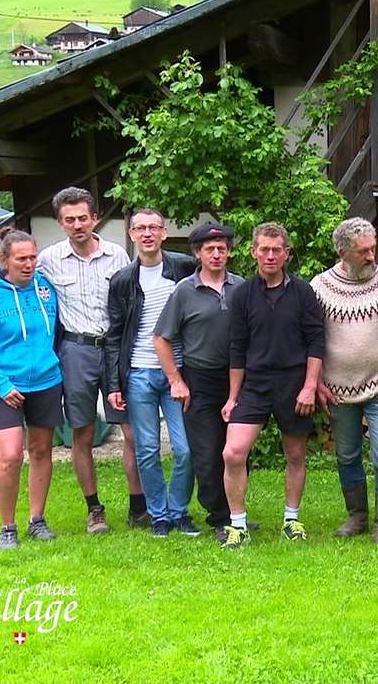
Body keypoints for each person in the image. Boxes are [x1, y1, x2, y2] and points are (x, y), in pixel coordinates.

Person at [0, 187, 146, 534]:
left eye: (83, 217)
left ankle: (138, 507)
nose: (77, 224)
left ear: (95, 217)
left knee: (132, 430)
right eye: (69, 220)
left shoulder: (117, 256)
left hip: (114, 349)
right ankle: (94, 509)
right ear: (60, 223)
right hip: (75, 351)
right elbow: (9, 276)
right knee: (81, 432)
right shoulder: (47, 260)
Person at [219, 222, 325, 549]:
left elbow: (316, 342)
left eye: (276, 250)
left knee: (295, 454)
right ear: (253, 252)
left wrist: (310, 386)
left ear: (286, 254)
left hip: (294, 384)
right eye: (263, 249)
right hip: (255, 384)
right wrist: (233, 397)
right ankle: (237, 526)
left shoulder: (303, 292)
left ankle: (291, 520)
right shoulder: (242, 294)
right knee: (233, 453)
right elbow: (237, 347)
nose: (269, 255)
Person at [312, 217, 378, 545]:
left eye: (373, 249)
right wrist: (317, 382)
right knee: (346, 454)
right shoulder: (320, 287)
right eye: (363, 251)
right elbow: (312, 340)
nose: (372, 256)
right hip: (337, 389)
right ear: (343, 253)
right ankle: (357, 516)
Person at [0, 229, 64, 550]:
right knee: (9, 455)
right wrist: (1, 383)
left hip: (46, 382)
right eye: (21, 258)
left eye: (33, 257)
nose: (29, 264)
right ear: (4, 260)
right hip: (2, 385)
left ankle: (37, 520)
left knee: (40, 451)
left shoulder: (46, 288)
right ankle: (8, 527)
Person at [105, 209, 199, 538]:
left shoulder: (185, 267)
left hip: (179, 372)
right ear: (131, 234)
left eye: (153, 228)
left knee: (186, 448)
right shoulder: (122, 280)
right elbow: (114, 336)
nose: (147, 233)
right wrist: (113, 384)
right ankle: (158, 515)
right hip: (139, 374)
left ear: (164, 232)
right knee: (146, 449)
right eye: (140, 228)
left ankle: (179, 511)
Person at [153, 222, 245, 543]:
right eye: (210, 249)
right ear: (197, 253)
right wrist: (175, 381)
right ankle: (219, 517)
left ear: (229, 251)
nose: (217, 254)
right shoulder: (184, 291)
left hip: (237, 379)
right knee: (206, 453)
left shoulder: (242, 288)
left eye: (222, 248)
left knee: (234, 451)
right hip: (200, 380)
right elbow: (161, 338)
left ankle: (236, 514)